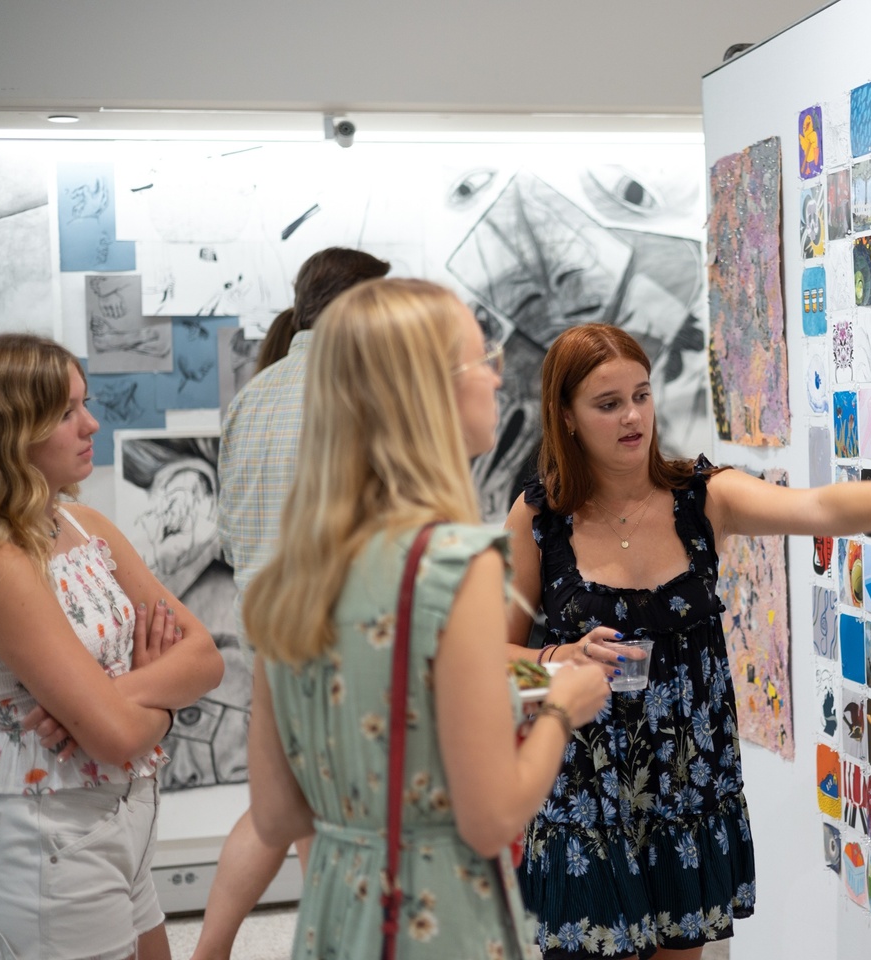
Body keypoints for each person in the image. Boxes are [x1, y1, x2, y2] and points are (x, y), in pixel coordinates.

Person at [504, 323, 871, 959]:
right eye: (607, 404)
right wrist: (553, 660)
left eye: (642, 395)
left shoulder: (702, 498)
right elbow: (493, 663)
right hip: (584, 802)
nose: (633, 417)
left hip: (691, 796)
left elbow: (816, 507)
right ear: (565, 417)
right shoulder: (540, 519)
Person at [243, 278, 611, 959]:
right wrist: (563, 705)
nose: (498, 380)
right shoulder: (453, 563)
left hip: (336, 913)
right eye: (482, 360)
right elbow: (491, 817)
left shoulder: (292, 572)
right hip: (437, 919)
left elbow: (276, 813)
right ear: (430, 392)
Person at [0, 333, 224, 960]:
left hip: (125, 813)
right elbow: (117, 738)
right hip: (54, 829)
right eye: (66, 412)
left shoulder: (83, 524)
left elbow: (205, 655)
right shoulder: (4, 559)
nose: (91, 423)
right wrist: (141, 703)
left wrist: (111, 699)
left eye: (84, 403)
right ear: (15, 431)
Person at [198, 247, 390, 960]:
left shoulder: (257, 392)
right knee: (338, 812)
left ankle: (220, 948)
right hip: (339, 627)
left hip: (266, 623)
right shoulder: (363, 392)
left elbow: (228, 523)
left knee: (294, 809)